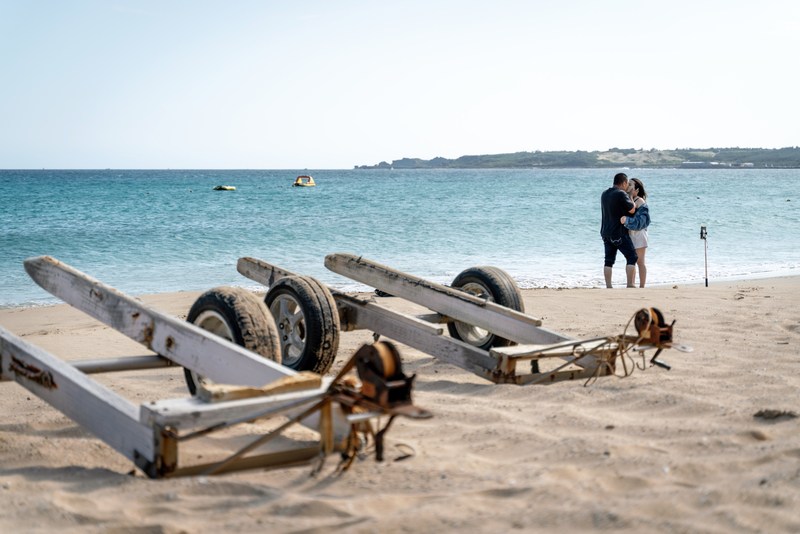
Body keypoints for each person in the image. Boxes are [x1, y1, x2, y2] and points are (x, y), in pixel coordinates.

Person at [600, 173, 637, 288]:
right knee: (632, 257)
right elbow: (632, 210)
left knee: (609, 260)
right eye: (627, 185)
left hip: (605, 232)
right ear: (624, 183)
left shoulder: (604, 194)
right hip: (619, 232)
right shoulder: (621, 194)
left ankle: (609, 286)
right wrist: (631, 196)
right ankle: (630, 284)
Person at [621, 178, 650, 288]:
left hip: (639, 234)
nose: (627, 187)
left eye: (630, 185)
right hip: (629, 234)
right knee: (630, 260)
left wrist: (631, 196)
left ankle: (642, 286)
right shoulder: (629, 199)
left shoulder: (639, 201)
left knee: (640, 261)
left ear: (636, 189)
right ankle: (631, 284)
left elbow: (633, 211)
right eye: (627, 185)